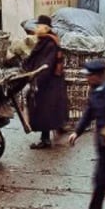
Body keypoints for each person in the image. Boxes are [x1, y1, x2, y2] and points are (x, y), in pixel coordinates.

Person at [67, 59, 105, 209]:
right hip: (103, 149)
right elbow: (89, 113)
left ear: (97, 76)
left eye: (89, 76)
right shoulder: (95, 92)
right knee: (101, 184)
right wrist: (77, 132)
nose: (87, 79)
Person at [22, 15, 67, 149]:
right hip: (47, 82)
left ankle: (45, 140)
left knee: (44, 110)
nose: (36, 28)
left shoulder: (49, 44)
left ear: (46, 28)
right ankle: (48, 135)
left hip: (48, 83)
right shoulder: (44, 41)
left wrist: (36, 80)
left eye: (38, 26)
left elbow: (46, 64)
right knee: (45, 110)